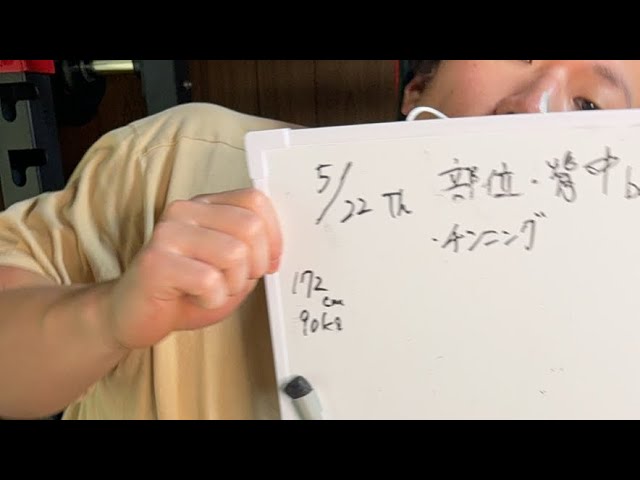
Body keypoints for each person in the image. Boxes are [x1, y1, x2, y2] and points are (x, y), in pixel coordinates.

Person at [2, 60, 640, 420]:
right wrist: (107, 315)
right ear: (418, 86)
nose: (534, 105)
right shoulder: (175, 159)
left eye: (589, 105)